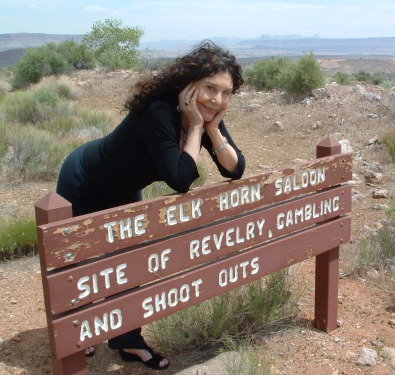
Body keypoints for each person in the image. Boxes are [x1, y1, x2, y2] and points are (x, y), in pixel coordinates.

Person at [56, 41, 245, 371]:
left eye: (226, 93)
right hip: (85, 180)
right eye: (210, 88)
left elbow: (235, 168)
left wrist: (212, 129)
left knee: (129, 265)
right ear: (189, 85)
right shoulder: (159, 110)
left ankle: (127, 342)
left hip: (124, 190)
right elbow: (180, 178)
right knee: (80, 264)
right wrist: (198, 128)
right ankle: (81, 332)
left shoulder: (205, 113)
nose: (217, 99)